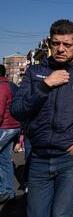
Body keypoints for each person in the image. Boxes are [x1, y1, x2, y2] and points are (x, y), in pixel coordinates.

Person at [10, 19, 73, 217]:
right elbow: (17, 110)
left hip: (72, 158)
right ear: (49, 44)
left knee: (62, 214)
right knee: (36, 213)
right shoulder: (35, 72)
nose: (60, 49)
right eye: (56, 43)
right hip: (39, 156)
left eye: (67, 44)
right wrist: (44, 85)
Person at [0, 64, 20, 204]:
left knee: (4, 160)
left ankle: (3, 191)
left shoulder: (1, 86)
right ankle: (9, 192)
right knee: (5, 160)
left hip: (4, 127)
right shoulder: (11, 85)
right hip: (13, 127)